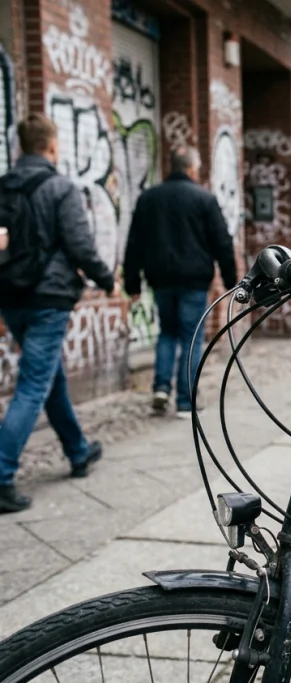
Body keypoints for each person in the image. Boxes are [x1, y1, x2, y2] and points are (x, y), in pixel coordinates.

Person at [0, 114, 115, 512]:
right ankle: (1, 475)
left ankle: (77, 451)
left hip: (11, 296)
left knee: (50, 377)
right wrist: (107, 279)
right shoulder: (60, 187)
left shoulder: (3, 187)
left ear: (20, 146)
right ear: (51, 146)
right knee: (34, 384)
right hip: (49, 298)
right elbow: (81, 246)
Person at [123, 145, 237, 419]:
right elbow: (222, 241)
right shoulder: (204, 199)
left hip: (160, 279)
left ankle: (161, 389)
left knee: (167, 332)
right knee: (192, 337)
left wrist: (132, 284)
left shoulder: (148, 198)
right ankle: (185, 401)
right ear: (192, 169)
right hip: (193, 280)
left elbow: (134, 243)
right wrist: (231, 279)